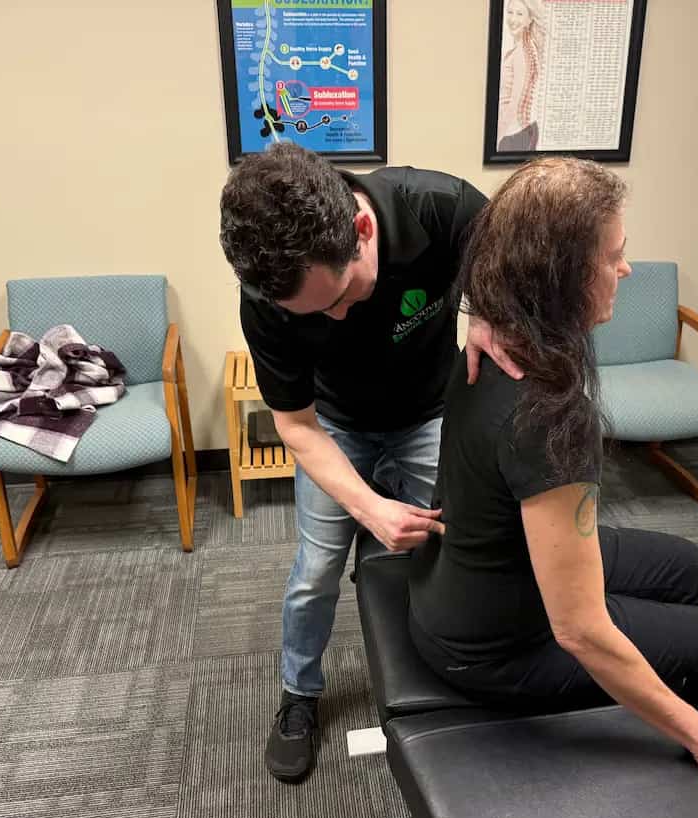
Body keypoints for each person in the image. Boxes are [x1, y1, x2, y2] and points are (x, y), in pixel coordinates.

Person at [407, 157, 698, 818]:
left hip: (461, 582)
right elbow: (577, 629)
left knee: (682, 565)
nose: (626, 271)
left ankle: (641, 732)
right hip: (491, 650)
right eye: (615, 257)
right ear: (563, 276)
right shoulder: (547, 414)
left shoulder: (488, 340)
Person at [219, 142, 520, 784]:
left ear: (361, 229)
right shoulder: (266, 297)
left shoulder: (441, 208)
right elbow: (296, 427)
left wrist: (491, 312)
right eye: (317, 313)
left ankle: (449, 668)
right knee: (317, 570)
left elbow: (508, 261)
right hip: (335, 425)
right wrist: (367, 506)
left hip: (431, 410)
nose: (338, 317)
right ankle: (299, 693)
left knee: (452, 544)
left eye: (342, 293)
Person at [497, 0, 546, 152]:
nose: (512, 19)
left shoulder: (522, 53)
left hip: (513, 133)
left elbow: (515, 103)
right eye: (510, 12)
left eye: (519, 14)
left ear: (529, 19)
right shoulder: (525, 47)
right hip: (518, 132)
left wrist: (497, 137)